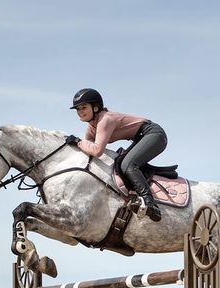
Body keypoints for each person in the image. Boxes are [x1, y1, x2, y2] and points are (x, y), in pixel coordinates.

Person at [66, 88, 167, 222]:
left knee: (128, 164)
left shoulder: (105, 119)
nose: (80, 112)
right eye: (78, 109)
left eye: (83, 107)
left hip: (154, 134)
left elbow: (96, 150)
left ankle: (150, 203)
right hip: (140, 138)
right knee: (119, 163)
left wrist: (78, 142)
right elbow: (88, 151)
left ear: (95, 108)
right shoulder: (91, 128)